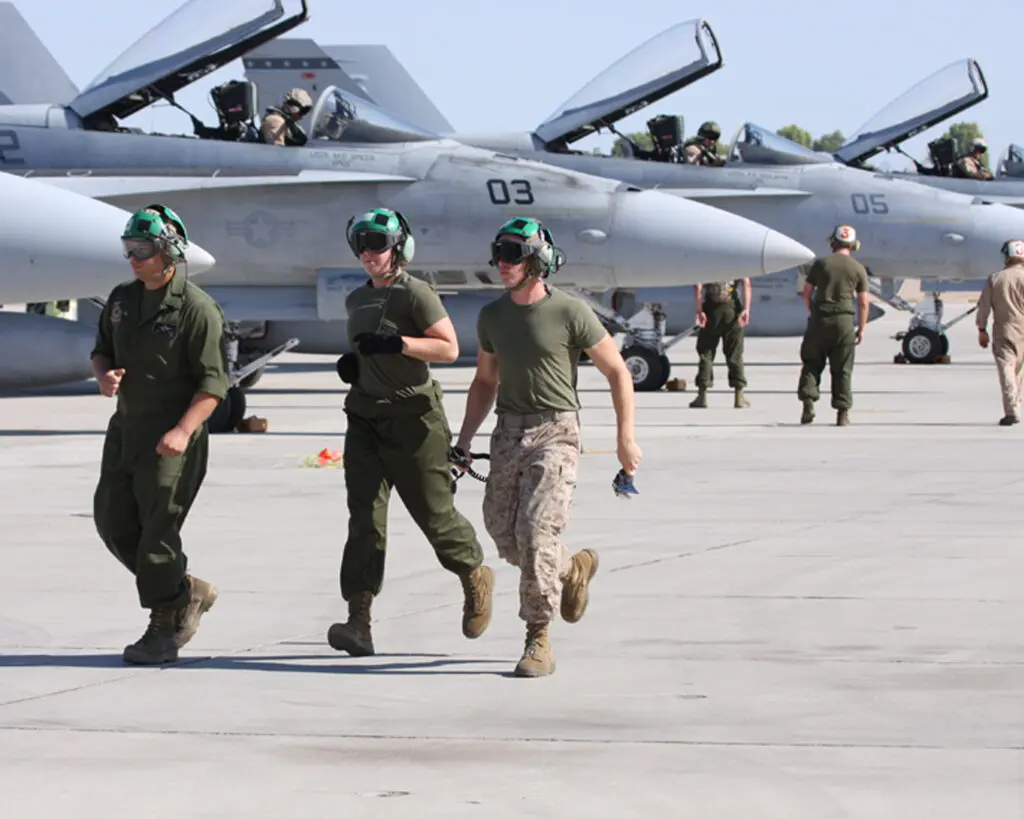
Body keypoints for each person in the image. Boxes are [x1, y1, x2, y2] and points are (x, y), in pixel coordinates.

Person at [455, 216, 642, 678]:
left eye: (513, 254)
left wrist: (625, 438)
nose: (502, 263)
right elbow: (484, 381)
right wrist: (463, 441)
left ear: (537, 261)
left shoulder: (571, 312)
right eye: (499, 254)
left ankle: (538, 636)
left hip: (556, 432)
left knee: (537, 534)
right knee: (505, 535)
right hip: (507, 434)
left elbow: (618, 372)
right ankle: (572, 569)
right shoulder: (492, 316)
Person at [327, 207, 495, 657]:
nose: (367, 252)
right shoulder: (356, 299)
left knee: (434, 515)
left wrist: (398, 344)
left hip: (414, 420)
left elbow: (448, 347)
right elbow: (366, 349)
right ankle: (358, 621)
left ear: (398, 248)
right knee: (364, 520)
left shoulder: (415, 294)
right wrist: (355, 365)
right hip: (363, 419)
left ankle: (474, 575)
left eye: (377, 244)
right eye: (360, 244)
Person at [90, 205, 229, 665]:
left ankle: (162, 626)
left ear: (169, 251)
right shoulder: (122, 300)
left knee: (157, 534)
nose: (133, 258)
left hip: (172, 439)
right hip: (126, 431)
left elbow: (214, 385)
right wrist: (105, 377)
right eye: (129, 249)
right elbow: (101, 353)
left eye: (143, 250)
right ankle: (185, 589)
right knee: (111, 522)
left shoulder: (197, 310)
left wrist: (183, 431)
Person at [797, 224, 870, 426]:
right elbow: (863, 302)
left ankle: (808, 402)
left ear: (832, 242)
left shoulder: (820, 264)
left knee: (812, 363)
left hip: (820, 319)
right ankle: (842, 413)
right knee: (842, 369)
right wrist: (861, 328)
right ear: (853, 245)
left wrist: (814, 313)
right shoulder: (858, 269)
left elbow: (806, 294)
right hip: (844, 323)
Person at [976, 239, 1024, 425]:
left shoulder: (996, 278)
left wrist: (982, 329)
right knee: (1019, 371)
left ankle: (1012, 410)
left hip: (1004, 329)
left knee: (1007, 368)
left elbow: (984, 307)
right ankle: (1016, 405)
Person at [688, 278, 752, 408]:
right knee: (735, 354)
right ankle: (739, 396)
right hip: (732, 310)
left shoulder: (707, 261)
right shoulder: (738, 261)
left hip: (711, 311)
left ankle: (702, 395)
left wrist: (699, 311)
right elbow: (746, 283)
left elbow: (697, 286)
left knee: (706, 353)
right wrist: (746, 309)